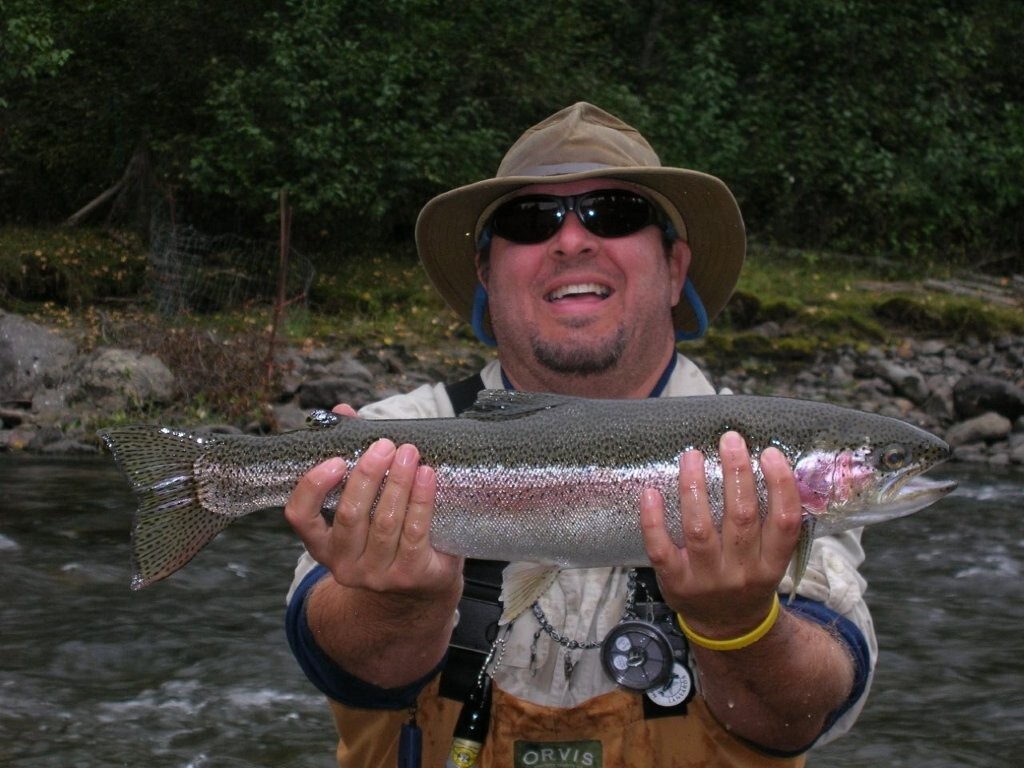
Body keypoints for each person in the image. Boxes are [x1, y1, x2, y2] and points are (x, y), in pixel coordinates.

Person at [283, 102, 874, 767]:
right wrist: (400, 609)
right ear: (485, 273)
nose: (570, 241)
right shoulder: (397, 440)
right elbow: (342, 664)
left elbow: (803, 712)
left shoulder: (760, 453)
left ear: (675, 267)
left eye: (614, 212)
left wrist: (740, 629)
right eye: (529, 221)